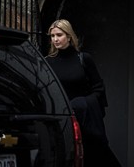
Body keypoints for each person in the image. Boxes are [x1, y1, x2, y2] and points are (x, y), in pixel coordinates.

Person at [45, 19, 121, 167]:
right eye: (52, 36)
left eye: (59, 35)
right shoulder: (47, 62)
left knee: (94, 156)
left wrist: (82, 104)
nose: (55, 39)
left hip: (85, 119)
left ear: (69, 36)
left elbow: (98, 88)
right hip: (61, 120)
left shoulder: (83, 59)